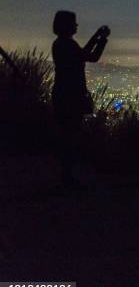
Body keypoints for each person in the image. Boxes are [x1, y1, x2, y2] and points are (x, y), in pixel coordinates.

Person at [51, 10, 110, 187]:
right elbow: (91, 56)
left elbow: (83, 53)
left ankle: (66, 175)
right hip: (71, 96)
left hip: (62, 94)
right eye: (74, 23)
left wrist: (97, 36)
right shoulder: (67, 45)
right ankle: (67, 177)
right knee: (70, 136)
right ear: (67, 25)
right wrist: (102, 39)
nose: (77, 26)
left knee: (66, 135)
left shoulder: (61, 44)